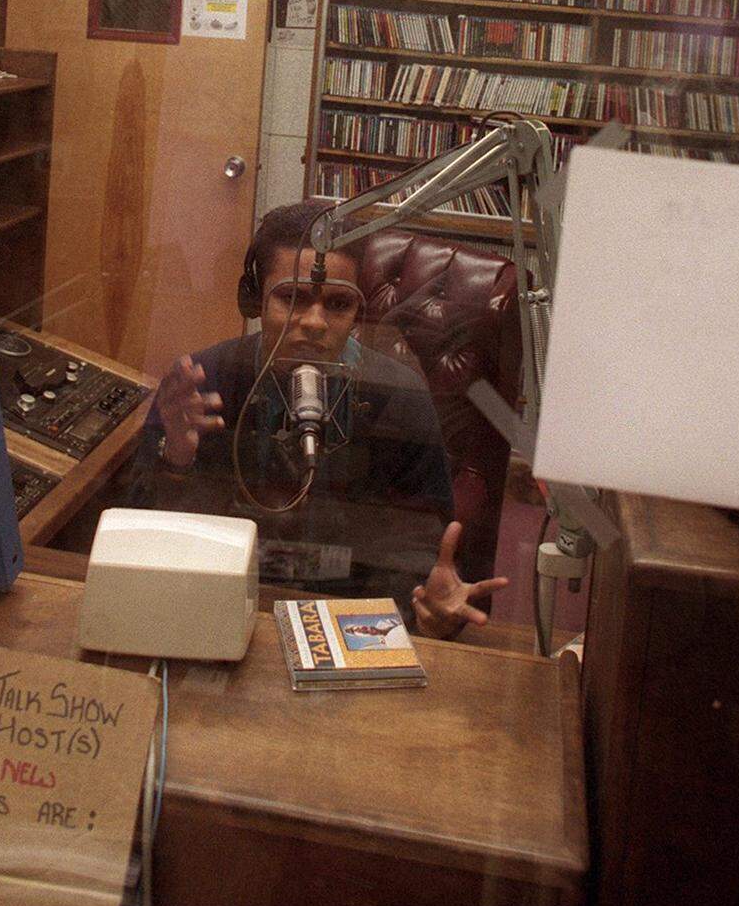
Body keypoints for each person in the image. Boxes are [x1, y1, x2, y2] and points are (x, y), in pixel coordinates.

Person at [131, 201, 507, 637]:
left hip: (347, 614)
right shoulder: (203, 383)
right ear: (253, 299)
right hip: (225, 607)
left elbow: (424, 552)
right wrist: (174, 460)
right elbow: (142, 531)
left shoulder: (399, 397)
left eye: (338, 303)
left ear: (358, 311)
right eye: (292, 297)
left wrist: (431, 608)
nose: (314, 322)